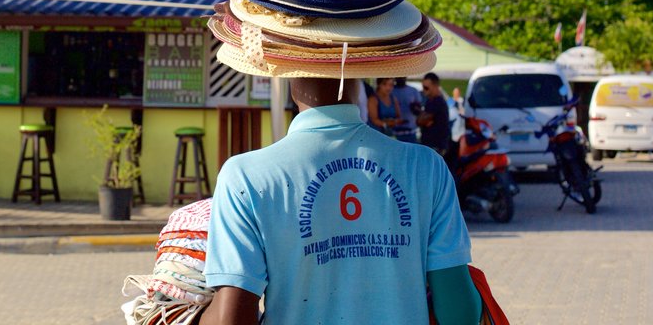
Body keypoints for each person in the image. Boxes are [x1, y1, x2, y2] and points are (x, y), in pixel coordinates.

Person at [201, 78, 480, 325]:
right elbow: (460, 313)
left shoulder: (245, 176)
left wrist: (187, 311)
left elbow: (231, 318)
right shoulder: (425, 166)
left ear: (282, 69)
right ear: (361, 68)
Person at [419, 72, 451, 158]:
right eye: (423, 87)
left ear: (435, 86)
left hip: (436, 146)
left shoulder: (437, 102)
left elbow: (422, 121)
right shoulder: (430, 101)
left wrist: (421, 117)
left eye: (426, 88)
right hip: (430, 145)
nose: (424, 90)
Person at [391, 77, 423, 143]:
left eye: (403, 76)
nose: (401, 78)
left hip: (411, 132)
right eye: (399, 76)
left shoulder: (413, 91)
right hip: (394, 133)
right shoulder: (390, 90)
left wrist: (415, 109)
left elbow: (419, 111)